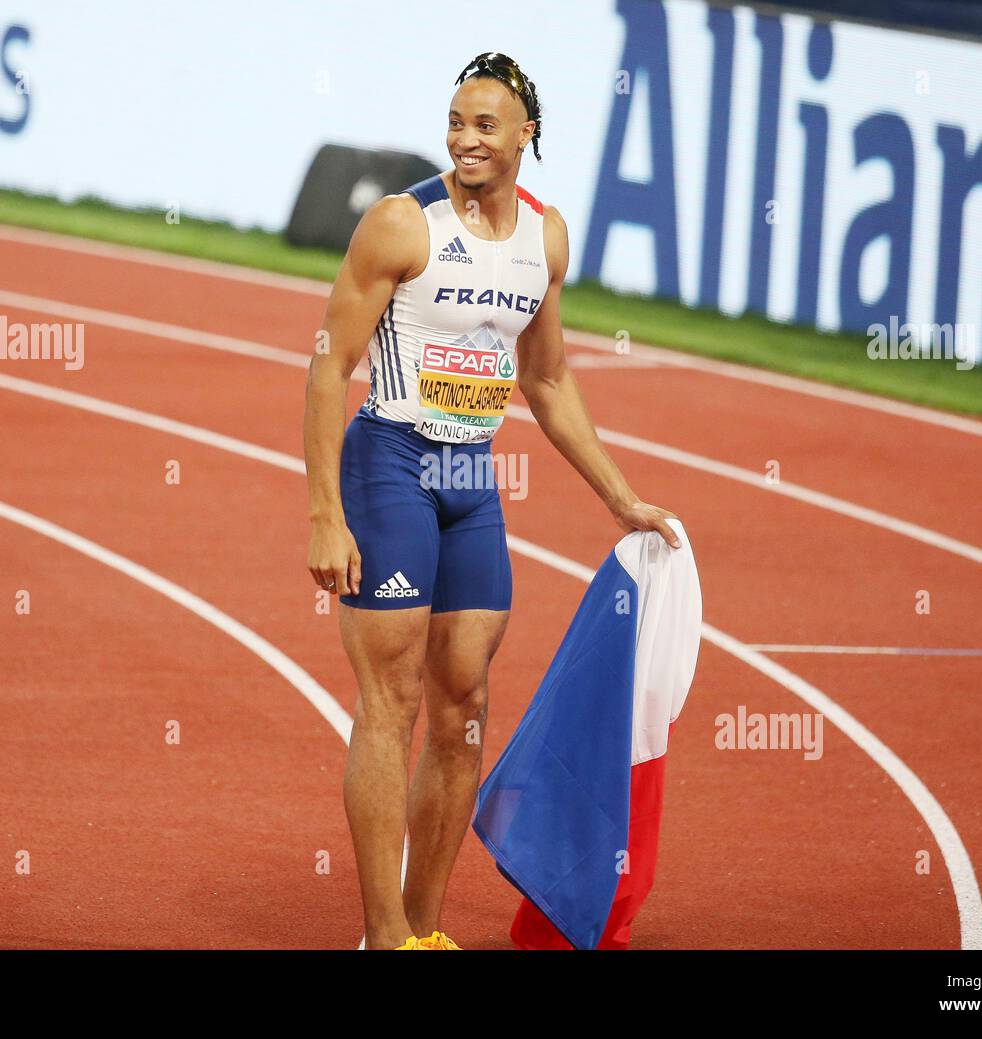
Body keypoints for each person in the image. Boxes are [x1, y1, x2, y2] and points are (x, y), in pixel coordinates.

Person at [302, 51, 682, 950]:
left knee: (463, 706)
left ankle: (427, 929)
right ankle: (383, 932)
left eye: (484, 125)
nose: (464, 139)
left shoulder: (544, 239)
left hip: (472, 478)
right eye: (456, 123)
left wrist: (621, 498)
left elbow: (546, 380)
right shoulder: (402, 224)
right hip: (388, 462)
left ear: (526, 136)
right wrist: (325, 509)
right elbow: (329, 366)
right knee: (390, 701)